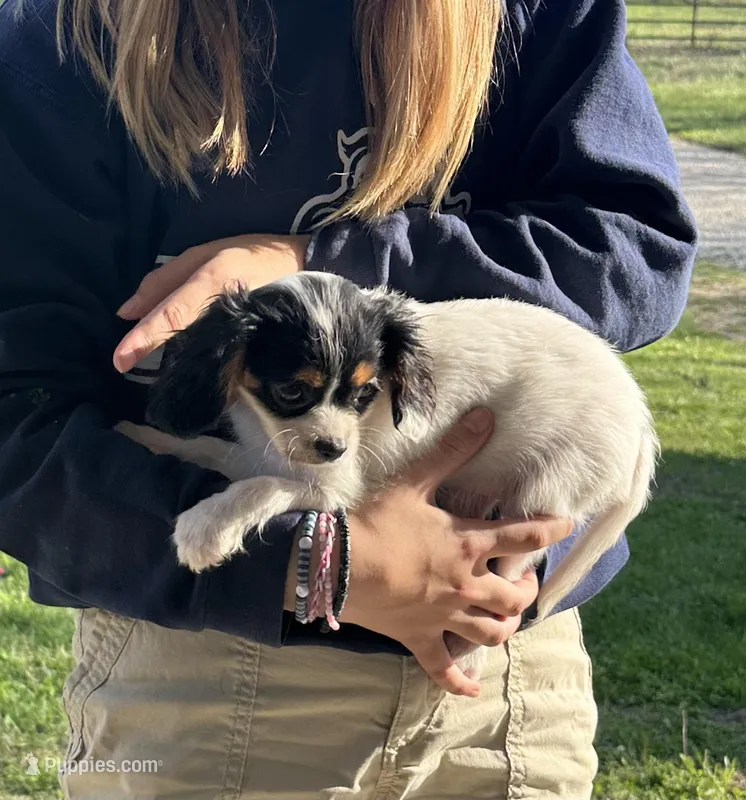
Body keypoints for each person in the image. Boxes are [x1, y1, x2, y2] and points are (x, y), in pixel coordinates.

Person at [0, 0, 696, 797]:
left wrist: (312, 263)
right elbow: (18, 418)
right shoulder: (65, 33)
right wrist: (308, 568)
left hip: (503, 674)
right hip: (207, 677)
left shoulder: (528, 14)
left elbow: (633, 254)